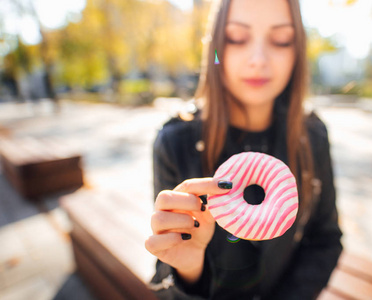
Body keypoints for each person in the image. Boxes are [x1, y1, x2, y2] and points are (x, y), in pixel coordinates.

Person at [145, 0, 343, 299]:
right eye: (237, 38)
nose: (258, 59)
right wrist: (188, 271)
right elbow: (164, 274)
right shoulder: (176, 142)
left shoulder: (311, 135)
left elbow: (325, 239)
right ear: (216, 48)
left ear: (297, 51)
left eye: (281, 40)